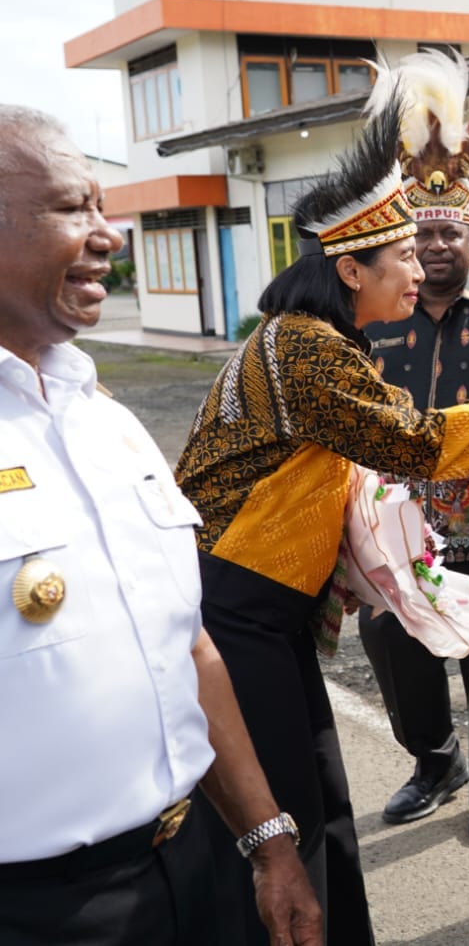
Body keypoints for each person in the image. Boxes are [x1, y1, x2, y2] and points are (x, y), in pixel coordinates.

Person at [0, 104, 320, 946]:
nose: (109, 234)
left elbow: (186, 646)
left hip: (197, 865)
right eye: (74, 208)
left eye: (104, 208)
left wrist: (268, 842)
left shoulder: (106, 418)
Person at [175, 96, 469, 945]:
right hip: (235, 613)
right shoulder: (306, 348)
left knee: (320, 796)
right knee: (280, 821)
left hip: (263, 611)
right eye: (399, 255)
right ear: (351, 269)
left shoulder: (312, 341)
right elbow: (415, 439)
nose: (417, 267)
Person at [359, 50, 469, 839]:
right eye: (422, 236)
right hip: (403, 527)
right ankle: (436, 758)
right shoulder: (378, 318)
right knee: (394, 645)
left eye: (449, 232)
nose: (436, 248)